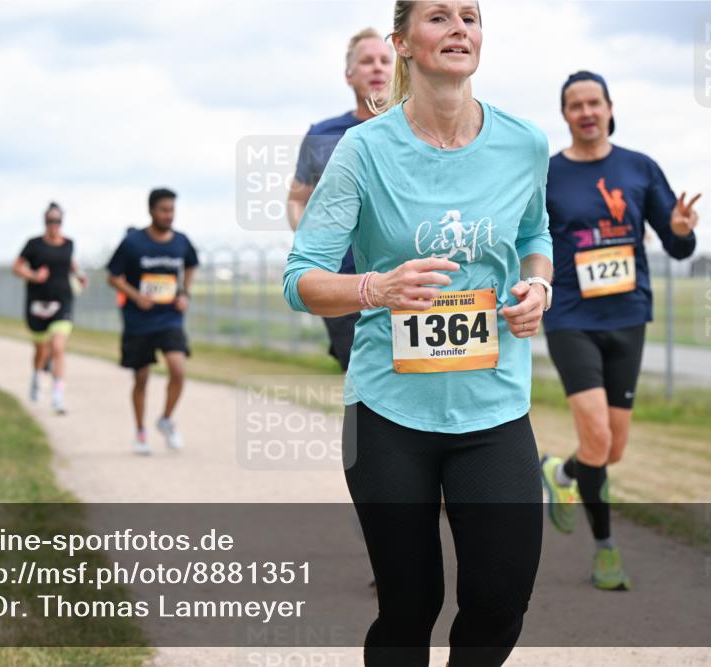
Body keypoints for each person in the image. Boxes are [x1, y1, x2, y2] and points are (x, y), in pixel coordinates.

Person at [283, 2, 554, 664]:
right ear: (402, 42)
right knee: (410, 604)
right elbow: (301, 278)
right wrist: (377, 287)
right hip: (388, 410)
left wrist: (538, 285)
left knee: (498, 598)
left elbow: (533, 233)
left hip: (494, 404)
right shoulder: (363, 150)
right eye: (440, 16)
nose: (460, 27)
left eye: (471, 16)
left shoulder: (524, 142)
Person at [539, 70, 700, 591]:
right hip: (569, 317)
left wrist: (678, 230)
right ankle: (606, 551)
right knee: (598, 434)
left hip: (627, 317)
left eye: (594, 102)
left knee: (611, 450)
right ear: (565, 115)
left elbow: (677, 245)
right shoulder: (548, 176)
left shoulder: (638, 168)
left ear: (610, 108)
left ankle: (560, 474)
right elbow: (529, 240)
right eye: (575, 105)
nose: (586, 112)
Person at [288, 28, 393, 372]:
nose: (377, 68)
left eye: (385, 60)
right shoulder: (323, 134)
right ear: (349, 75)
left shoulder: (415, 127)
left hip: (407, 280)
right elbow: (296, 198)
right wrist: (312, 246)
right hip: (346, 285)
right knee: (364, 384)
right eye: (366, 61)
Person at [107, 188, 198, 456]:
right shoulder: (133, 242)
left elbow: (191, 264)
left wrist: (185, 292)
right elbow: (113, 276)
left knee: (178, 370)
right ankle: (140, 431)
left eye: (172, 210)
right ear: (151, 211)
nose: (169, 215)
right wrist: (136, 296)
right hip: (139, 320)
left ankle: (166, 419)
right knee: (142, 378)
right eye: (164, 210)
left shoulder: (181, 241)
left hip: (170, 317)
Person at [13, 202, 89, 414]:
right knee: (41, 350)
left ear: (62, 222)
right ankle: (36, 376)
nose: (53, 225)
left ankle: (57, 396)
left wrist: (80, 275)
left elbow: (70, 263)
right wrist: (33, 275)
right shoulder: (34, 244)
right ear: (44, 222)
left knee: (57, 347)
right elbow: (17, 267)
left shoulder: (69, 244)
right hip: (37, 302)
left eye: (57, 221)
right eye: (50, 221)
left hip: (62, 300)